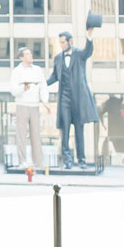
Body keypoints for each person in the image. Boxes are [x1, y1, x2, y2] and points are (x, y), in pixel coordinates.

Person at [47, 26, 98, 168]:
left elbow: (88, 51)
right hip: (64, 99)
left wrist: (89, 35)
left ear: (70, 41)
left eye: (63, 42)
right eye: (60, 43)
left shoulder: (79, 55)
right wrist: (42, 84)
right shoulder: (57, 58)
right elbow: (54, 77)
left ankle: (81, 160)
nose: (62, 45)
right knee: (65, 130)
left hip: (78, 98)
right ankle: (67, 160)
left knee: (79, 130)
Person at [8, 46, 50, 168]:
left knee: (36, 134)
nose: (30, 56)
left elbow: (43, 86)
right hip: (22, 104)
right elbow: (13, 90)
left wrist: (45, 101)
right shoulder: (16, 71)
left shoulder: (37, 70)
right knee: (21, 134)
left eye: (30, 54)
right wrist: (23, 88)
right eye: (27, 54)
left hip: (34, 105)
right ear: (21, 57)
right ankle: (23, 161)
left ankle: (38, 162)